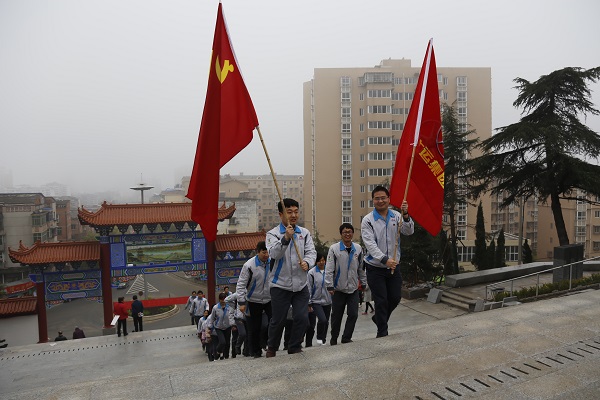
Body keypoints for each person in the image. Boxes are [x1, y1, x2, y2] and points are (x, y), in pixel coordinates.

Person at [265, 198, 317, 357]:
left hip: (301, 284)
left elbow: (311, 252)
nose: (293, 215)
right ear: (281, 214)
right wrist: (286, 238)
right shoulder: (273, 234)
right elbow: (274, 253)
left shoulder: (304, 233)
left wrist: (307, 262)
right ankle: (272, 347)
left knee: (302, 317)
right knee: (278, 320)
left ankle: (294, 346)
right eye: (289, 212)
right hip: (280, 284)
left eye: (296, 212)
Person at [361, 185, 413, 338]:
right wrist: (385, 260)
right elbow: (370, 245)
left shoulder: (396, 216)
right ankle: (382, 333)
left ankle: (379, 318)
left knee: (395, 298)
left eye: (383, 198)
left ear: (389, 199)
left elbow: (409, 231)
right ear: (373, 200)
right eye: (377, 198)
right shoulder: (368, 220)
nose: (380, 201)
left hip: (394, 266)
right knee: (381, 300)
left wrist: (406, 215)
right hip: (375, 267)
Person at [325, 223, 367, 345]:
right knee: (336, 316)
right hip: (338, 289)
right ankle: (334, 338)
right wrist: (329, 285)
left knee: (353, 314)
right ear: (341, 234)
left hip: (353, 288)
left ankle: (346, 337)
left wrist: (363, 282)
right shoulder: (334, 249)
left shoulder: (358, 249)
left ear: (353, 233)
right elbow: (329, 269)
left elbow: (361, 268)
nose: (347, 234)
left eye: (349, 232)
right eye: (345, 232)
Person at [236, 240, 272, 358]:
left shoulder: (273, 262)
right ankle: (256, 351)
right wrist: (241, 302)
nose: (266, 255)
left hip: (269, 299)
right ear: (258, 252)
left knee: (273, 322)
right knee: (254, 327)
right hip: (253, 300)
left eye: (268, 252)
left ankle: (269, 344)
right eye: (263, 252)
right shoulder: (249, 266)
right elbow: (241, 284)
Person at [306, 252, 332, 347]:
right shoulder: (311, 273)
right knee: (322, 320)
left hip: (327, 301)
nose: (322, 262)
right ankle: (319, 337)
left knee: (326, 321)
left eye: (323, 260)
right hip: (316, 301)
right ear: (316, 262)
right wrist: (309, 301)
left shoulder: (329, 271)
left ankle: (323, 339)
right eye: (319, 261)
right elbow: (309, 287)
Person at [205, 292, 236, 360]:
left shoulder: (229, 307)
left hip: (227, 326)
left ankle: (226, 356)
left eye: (224, 299)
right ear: (219, 300)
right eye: (221, 299)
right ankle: (218, 351)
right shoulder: (215, 308)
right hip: (218, 327)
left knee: (227, 342)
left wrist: (233, 325)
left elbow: (232, 316)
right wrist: (209, 327)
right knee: (222, 341)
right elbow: (212, 318)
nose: (223, 301)